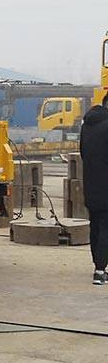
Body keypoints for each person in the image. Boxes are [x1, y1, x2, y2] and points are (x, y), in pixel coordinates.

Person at [79, 94, 108, 284]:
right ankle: (100, 270)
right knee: (106, 227)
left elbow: (83, 153)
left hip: (91, 183)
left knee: (95, 226)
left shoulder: (86, 125)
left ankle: (97, 265)